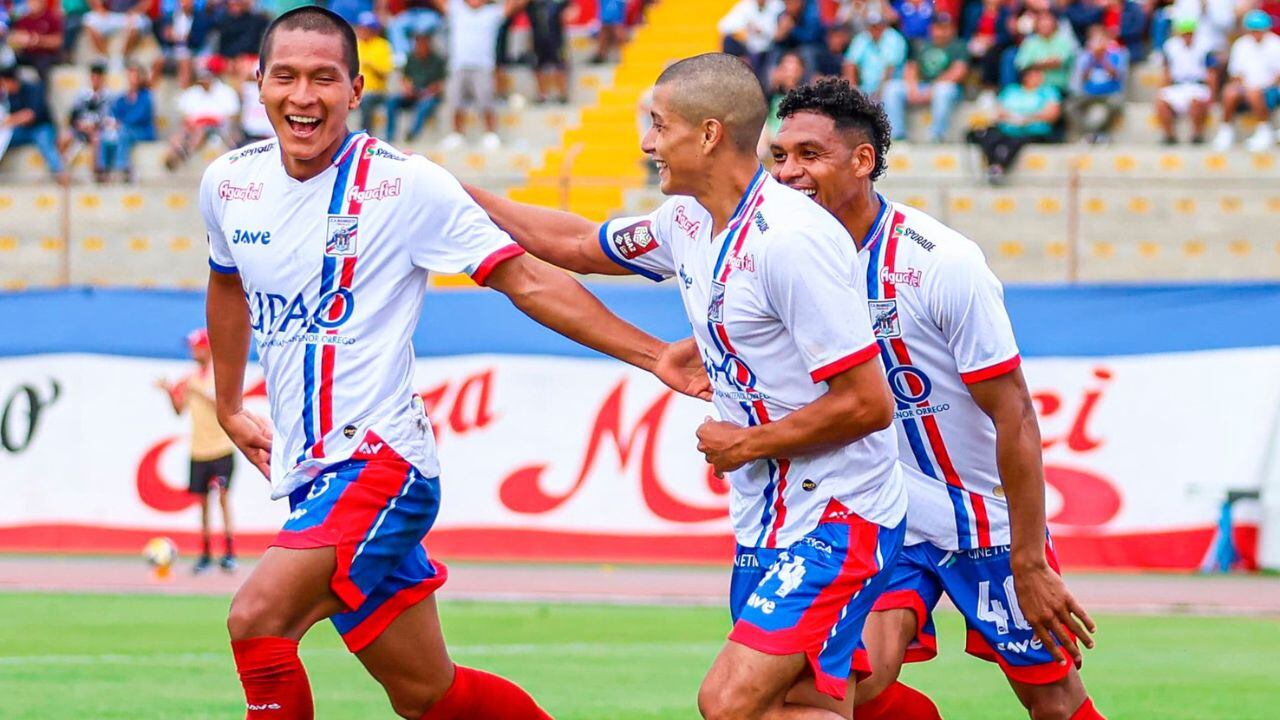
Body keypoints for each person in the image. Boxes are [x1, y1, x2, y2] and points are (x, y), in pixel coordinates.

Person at [204, 7, 709, 719]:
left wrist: (654, 353)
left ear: (355, 90)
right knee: (427, 694)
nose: (303, 96)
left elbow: (526, 278)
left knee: (255, 622)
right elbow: (226, 282)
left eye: (324, 78)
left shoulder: (405, 184)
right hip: (311, 474)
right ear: (257, 84)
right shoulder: (228, 184)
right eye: (285, 77)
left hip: (380, 466)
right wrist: (228, 403)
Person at [466, 52, 908, 720]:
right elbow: (581, 245)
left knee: (727, 700)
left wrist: (749, 443)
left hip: (842, 512)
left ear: (707, 134)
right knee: (802, 702)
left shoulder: (790, 241)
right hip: (767, 513)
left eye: (657, 124)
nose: (647, 143)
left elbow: (869, 403)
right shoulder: (688, 222)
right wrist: (460, 197)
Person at [769, 76, 1105, 720]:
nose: (788, 173)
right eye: (780, 156)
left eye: (809, 155)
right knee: (842, 688)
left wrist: (1029, 559)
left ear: (863, 161)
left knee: (1054, 702)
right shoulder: (786, 257)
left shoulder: (942, 262)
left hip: (986, 521)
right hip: (884, 514)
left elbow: (1015, 416)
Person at [156, 329, 239, 574]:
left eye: (196, 347)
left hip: (221, 447)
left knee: (223, 498)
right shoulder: (189, 378)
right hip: (199, 450)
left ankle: (229, 552)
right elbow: (179, 409)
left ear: (206, 349)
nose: (192, 352)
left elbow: (225, 405)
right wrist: (169, 392)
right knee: (202, 503)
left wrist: (198, 392)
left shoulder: (219, 376)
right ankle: (205, 553)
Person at [429, 0, 521, 151]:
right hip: (458, 65)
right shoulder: (456, 9)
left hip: (483, 66)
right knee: (455, 101)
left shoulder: (492, 13)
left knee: (486, 101)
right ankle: (457, 134)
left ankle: (491, 134)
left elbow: (514, 5)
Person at [882, 13, 968, 142]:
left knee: (943, 90)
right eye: (938, 28)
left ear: (952, 29)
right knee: (892, 88)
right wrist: (912, 88)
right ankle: (897, 135)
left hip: (948, 88)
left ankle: (937, 135)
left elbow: (959, 72)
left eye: (945, 28)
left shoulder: (958, 46)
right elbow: (911, 68)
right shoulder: (923, 45)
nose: (941, 32)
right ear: (931, 29)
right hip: (923, 86)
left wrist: (933, 88)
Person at [968, 67, 1061, 183]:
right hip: (1009, 128)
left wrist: (1027, 118)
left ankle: (999, 166)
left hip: (1033, 130)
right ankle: (992, 164)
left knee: (1016, 141)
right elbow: (999, 111)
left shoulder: (1048, 91)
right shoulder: (1011, 91)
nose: (1039, 78)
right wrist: (1014, 118)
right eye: (1035, 75)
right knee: (988, 137)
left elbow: (1052, 114)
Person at [1215, 9, 1280, 151]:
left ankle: (1264, 130)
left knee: (1254, 92)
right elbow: (1236, 74)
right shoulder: (1241, 45)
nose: (1256, 33)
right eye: (1254, 30)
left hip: (1271, 89)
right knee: (1229, 92)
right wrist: (1245, 86)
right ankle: (1226, 130)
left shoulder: (1275, 43)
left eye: (1259, 30)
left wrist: (1265, 86)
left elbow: (1278, 75)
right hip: (1247, 88)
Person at [165, 56, 240, 170]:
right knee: (180, 133)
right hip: (193, 126)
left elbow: (232, 117)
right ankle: (175, 152)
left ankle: (186, 152)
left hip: (217, 127)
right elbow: (184, 116)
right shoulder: (191, 93)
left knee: (201, 129)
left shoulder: (226, 92)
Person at [0, 67, 67, 184]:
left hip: (41, 127)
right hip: (22, 130)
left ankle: (60, 174)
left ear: (11, 81)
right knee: (3, 138)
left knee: (45, 143)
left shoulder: (33, 89)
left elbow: (29, 115)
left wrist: (9, 121)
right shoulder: (8, 96)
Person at [1156, 15, 1214, 145]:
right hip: (1178, 85)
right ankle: (1169, 136)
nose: (1187, 36)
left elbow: (1211, 72)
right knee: (1161, 102)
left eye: (1190, 33)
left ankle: (1197, 134)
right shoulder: (1170, 46)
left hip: (1198, 84)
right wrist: (1162, 89)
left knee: (1197, 102)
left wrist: (1212, 93)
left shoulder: (1205, 45)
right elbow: (1166, 71)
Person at [1067, 24, 1127, 143]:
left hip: (1110, 93)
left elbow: (1115, 76)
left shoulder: (1116, 55)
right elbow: (1083, 79)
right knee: (1070, 107)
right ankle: (1090, 133)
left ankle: (1099, 133)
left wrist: (1103, 58)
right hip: (1088, 93)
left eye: (1101, 39)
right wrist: (1093, 59)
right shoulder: (1085, 57)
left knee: (1116, 104)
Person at [386, 30, 447, 142]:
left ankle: (413, 134)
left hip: (430, 95)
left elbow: (440, 84)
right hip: (413, 93)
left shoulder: (437, 60)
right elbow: (404, 78)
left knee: (424, 104)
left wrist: (427, 92)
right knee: (392, 101)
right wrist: (408, 89)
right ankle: (389, 136)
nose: (420, 45)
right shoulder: (411, 58)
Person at [101, 63, 156, 182]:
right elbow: (114, 112)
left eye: (134, 75)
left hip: (142, 131)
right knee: (105, 136)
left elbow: (140, 115)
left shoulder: (146, 96)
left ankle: (121, 167)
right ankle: (103, 168)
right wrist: (112, 122)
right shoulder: (123, 97)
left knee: (123, 133)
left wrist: (121, 123)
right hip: (125, 129)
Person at [62, 61, 114, 182]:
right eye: (93, 77)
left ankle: (97, 174)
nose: (95, 80)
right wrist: (80, 125)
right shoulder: (81, 95)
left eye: (98, 77)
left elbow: (108, 118)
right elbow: (72, 116)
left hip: (98, 131)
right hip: (80, 129)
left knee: (97, 139)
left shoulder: (109, 97)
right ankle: (61, 172)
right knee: (63, 138)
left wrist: (94, 126)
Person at [844, 8, 908, 98]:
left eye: (878, 25)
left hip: (889, 84)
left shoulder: (894, 38)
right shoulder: (862, 38)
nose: (875, 29)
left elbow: (890, 69)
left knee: (890, 90)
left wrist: (878, 93)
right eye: (872, 26)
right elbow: (850, 63)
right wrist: (852, 87)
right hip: (865, 87)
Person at [1014, 11, 1076, 96]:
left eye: (1048, 21)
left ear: (1054, 23)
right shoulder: (1030, 42)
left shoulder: (1064, 41)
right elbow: (1021, 64)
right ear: (1036, 25)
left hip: (1057, 87)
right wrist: (1046, 63)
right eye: (1041, 22)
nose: (1045, 24)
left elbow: (1061, 61)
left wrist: (1035, 64)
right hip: (1032, 88)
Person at [354, 11, 394, 135]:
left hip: (376, 91)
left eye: (366, 28)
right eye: (361, 27)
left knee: (366, 100)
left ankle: (365, 134)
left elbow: (385, 72)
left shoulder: (382, 45)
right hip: (354, 89)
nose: (362, 31)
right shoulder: (355, 44)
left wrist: (371, 65)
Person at [527, 0, 572, 104]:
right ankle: (542, 94)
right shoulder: (532, 4)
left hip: (556, 40)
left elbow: (571, 10)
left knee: (560, 66)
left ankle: (562, 95)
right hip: (538, 40)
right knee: (538, 67)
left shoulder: (557, 3)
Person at [10, 0, 63, 86]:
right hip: (26, 53)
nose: (32, 5)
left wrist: (39, 40)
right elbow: (14, 38)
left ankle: (40, 93)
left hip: (45, 54)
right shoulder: (23, 19)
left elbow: (58, 41)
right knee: (9, 63)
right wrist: (20, 40)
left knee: (42, 65)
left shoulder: (51, 18)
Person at [84, 0, 152, 63]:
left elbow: (148, 2)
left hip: (131, 15)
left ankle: (122, 58)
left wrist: (135, 11)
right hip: (111, 15)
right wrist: (99, 8)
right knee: (89, 19)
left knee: (138, 24)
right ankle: (103, 58)